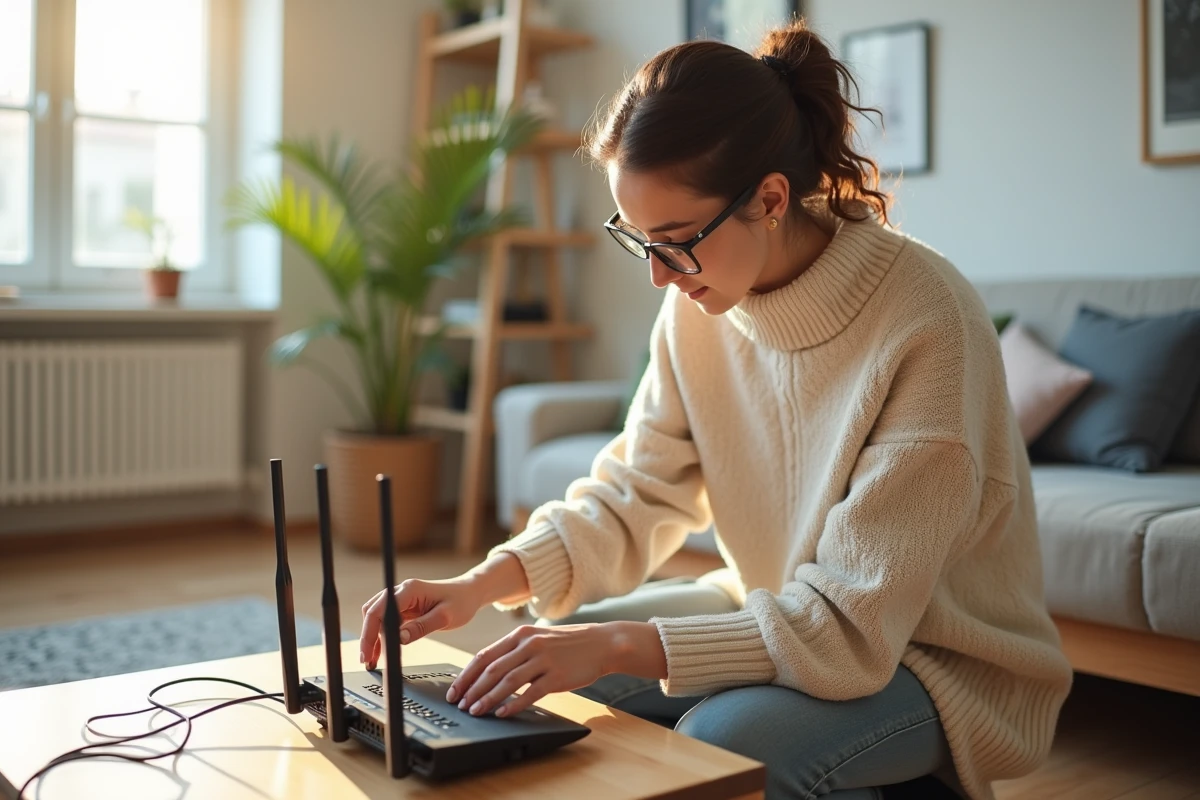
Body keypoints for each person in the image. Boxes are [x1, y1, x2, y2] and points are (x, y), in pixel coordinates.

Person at [359, 18, 1072, 800]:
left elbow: (850, 627)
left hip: (934, 662)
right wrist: (480, 583)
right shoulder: (699, 304)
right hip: (785, 613)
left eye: (674, 239)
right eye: (639, 241)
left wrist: (618, 644)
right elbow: (635, 491)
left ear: (769, 198)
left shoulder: (927, 320)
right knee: (549, 667)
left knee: (723, 740)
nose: (660, 277)